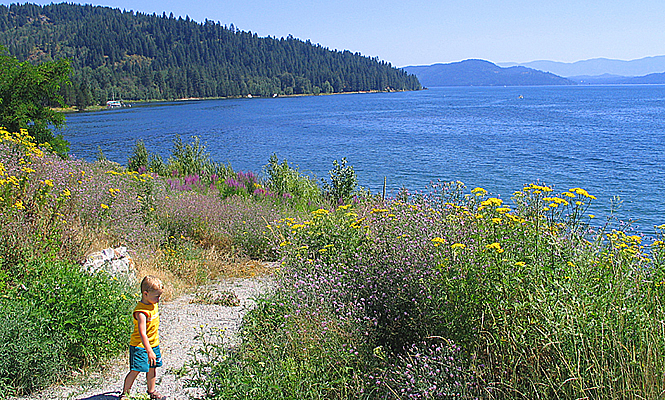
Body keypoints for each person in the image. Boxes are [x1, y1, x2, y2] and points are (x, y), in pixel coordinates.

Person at [121, 275, 167, 400]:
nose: (159, 299)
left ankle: (151, 391)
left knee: (152, 368)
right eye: (157, 296)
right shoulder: (141, 312)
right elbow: (142, 333)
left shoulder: (153, 304)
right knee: (136, 369)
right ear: (145, 294)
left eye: (159, 296)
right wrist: (149, 351)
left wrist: (153, 347)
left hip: (153, 344)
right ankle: (125, 394)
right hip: (140, 346)